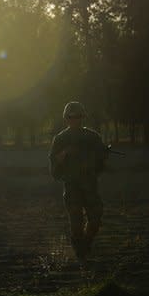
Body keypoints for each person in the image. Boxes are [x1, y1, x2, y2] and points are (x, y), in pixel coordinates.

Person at [49, 101, 108, 261]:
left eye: (77, 116)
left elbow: (101, 162)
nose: (74, 119)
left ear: (82, 117)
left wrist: (102, 154)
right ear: (66, 118)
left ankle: (85, 244)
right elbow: (54, 166)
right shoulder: (61, 139)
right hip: (72, 186)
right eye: (70, 117)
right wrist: (64, 154)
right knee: (76, 223)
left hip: (90, 186)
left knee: (95, 219)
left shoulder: (92, 137)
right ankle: (80, 252)